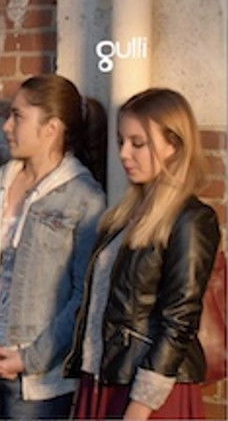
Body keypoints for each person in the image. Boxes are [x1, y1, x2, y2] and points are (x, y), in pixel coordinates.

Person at [0, 74, 106, 419]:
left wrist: (29, 358)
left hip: (40, 386)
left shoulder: (84, 198)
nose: (6, 126)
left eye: (18, 116)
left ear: (51, 128)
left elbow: (85, 298)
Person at [64, 88, 221, 420]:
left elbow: (179, 322)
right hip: (106, 380)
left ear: (173, 145)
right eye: (121, 141)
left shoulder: (192, 219)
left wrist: (140, 406)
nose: (124, 154)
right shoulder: (123, 217)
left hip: (149, 392)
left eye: (138, 143)